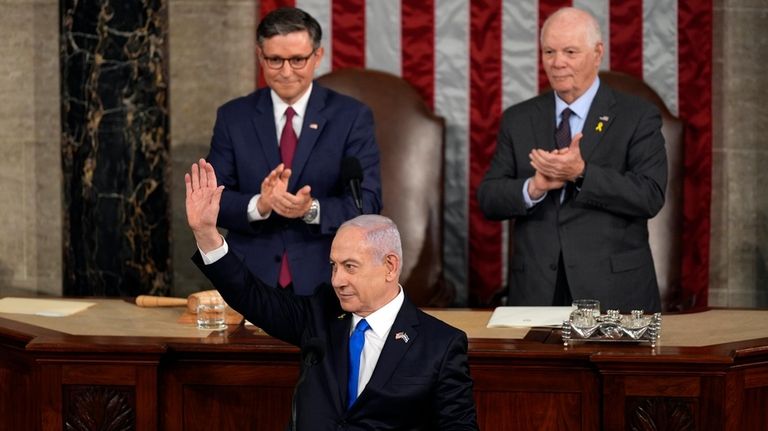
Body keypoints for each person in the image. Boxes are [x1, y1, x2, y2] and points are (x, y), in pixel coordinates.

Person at [185, 159, 478, 430]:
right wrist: (206, 235)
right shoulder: (320, 314)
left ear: (390, 266)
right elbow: (252, 297)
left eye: (350, 266)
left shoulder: (440, 344)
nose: (337, 280)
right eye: (333, 266)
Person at [477, 7, 667, 313]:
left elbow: (650, 196)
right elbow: (488, 198)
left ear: (597, 53)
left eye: (570, 51)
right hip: (537, 294)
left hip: (613, 294)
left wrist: (581, 174)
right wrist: (533, 188)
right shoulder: (518, 119)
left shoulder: (637, 116)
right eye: (549, 51)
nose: (557, 62)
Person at [206, 7, 382, 295]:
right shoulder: (233, 117)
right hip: (249, 281)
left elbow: (368, 203)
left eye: (298, 60)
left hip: (328, 278)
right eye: (275, 60)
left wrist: (310, 209)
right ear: (260, 57)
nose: (286, 72)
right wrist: (259, 205)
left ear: (318, 56)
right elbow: (214, 202)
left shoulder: (351, 117)